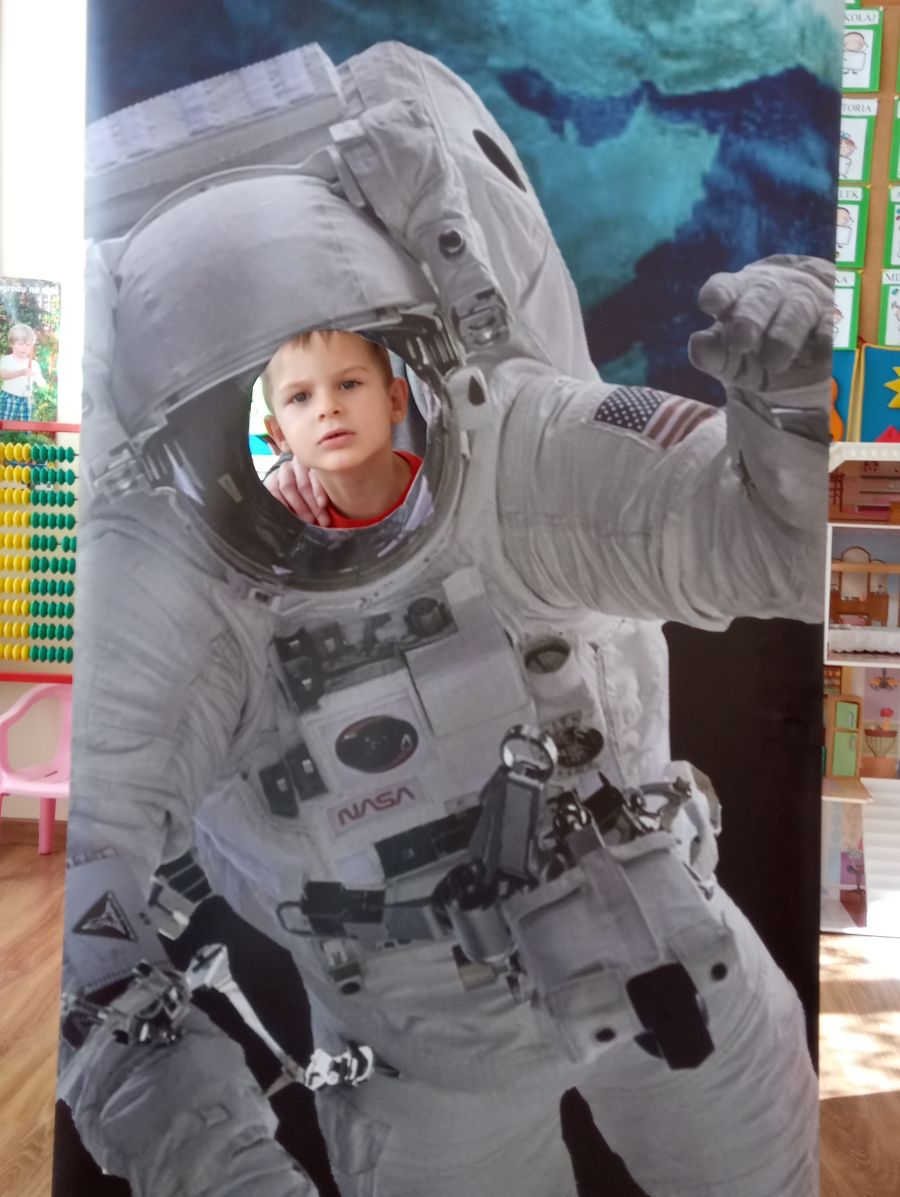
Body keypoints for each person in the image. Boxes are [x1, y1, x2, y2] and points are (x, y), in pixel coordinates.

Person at [60, 41, 829, 1197]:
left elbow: (781, 543)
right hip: (418, 1059)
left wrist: (803, 414)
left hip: (671, 957)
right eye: (277, 414)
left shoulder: (516, 445)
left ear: (421, 364)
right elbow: (84, 909)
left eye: (356, 384)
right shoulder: (171, 586)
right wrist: (223, 1166)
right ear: (192, 467)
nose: (334, 442)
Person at [261, 330, 421, 528]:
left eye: (348, 384)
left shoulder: (446, 488)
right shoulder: (281, 527)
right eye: (300, 397)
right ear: (280, 434)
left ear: (394, 401)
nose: (327, 407)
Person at [0, 322, 46, 420]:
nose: (24, 347)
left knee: (25, 427)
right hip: (9, 398)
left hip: (26, 400)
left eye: (28, 345)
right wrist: (21, 372)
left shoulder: (33, 364)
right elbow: (4, 375)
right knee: (5, 426)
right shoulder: (6, 360)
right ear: (12, 344)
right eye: (21, 344)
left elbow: (40, 381)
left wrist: (40, 380)